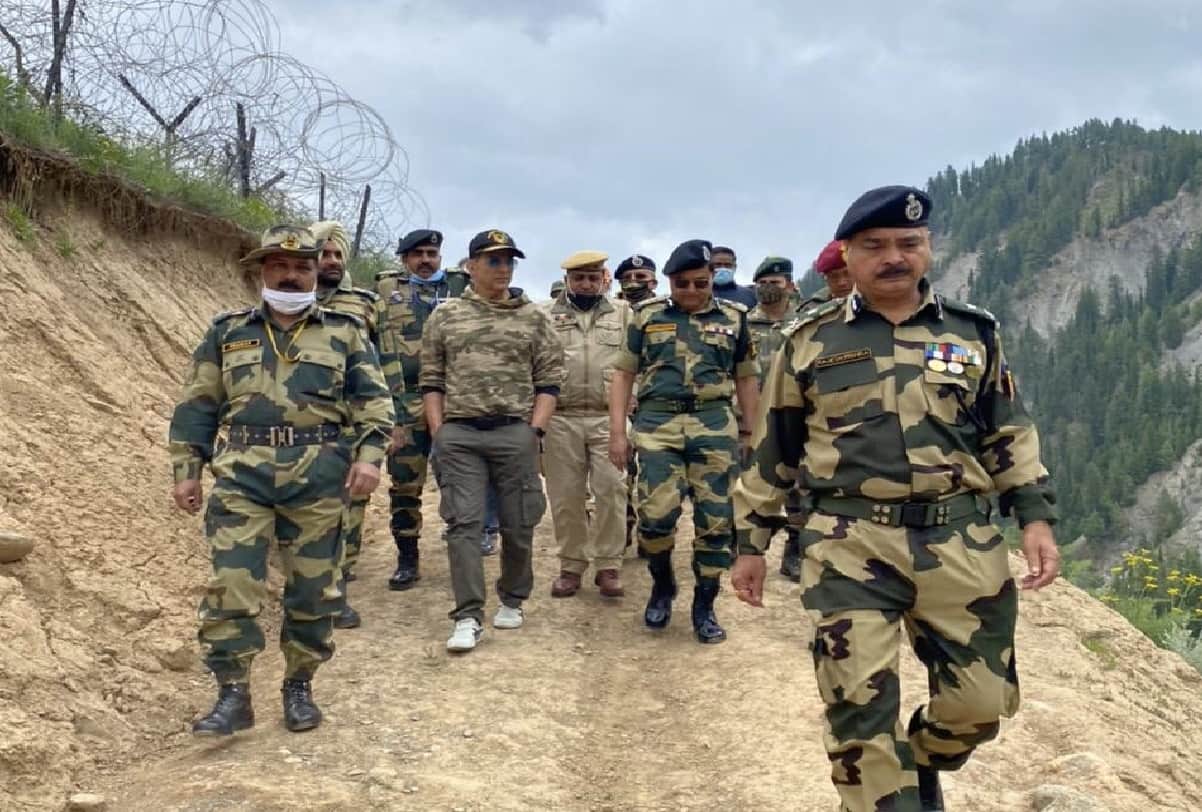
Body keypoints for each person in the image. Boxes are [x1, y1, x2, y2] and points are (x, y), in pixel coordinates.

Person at [731, 186, 1060, 812]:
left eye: (909, 244)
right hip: (849, 542)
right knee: (858, 714)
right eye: (874, 246)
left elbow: (1008, 431)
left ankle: (922, 760)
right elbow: (774, 450)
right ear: (847, 257)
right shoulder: (810, 340)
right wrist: (751, 542)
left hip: (959, 540)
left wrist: (1035, 516)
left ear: (928, 248)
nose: (894, 258)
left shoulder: (973, 333)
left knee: (981, 706)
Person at [169, 225, 393, 735]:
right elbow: (198, 404)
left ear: (317, 273)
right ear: (261, 272)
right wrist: (188, 470)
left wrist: (370, 457)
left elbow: (375, 404)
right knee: (232, 584)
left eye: (303, 268)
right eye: (279, 267)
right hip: (242, 473)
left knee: (314, 591)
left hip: (318, 473)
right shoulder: (227, 332)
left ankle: (299, 685)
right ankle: (232, 694)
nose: (291, 276)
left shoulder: (344, 331)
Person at [420, 229, 565, 653]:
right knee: (462, 523)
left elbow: (549, 380)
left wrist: (534, 431)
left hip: (513, 431)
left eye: (508, 261)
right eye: (493, 260)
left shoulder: (532, 316)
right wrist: (439, 430)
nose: (503, 268)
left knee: (519, 522)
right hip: (460, 434)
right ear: (470, 267)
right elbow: (431, 380)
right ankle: (467, 614)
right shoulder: (446, 316)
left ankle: (513, 596)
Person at [608, 239, 759, 644]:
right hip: (658, 422)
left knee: (715, 521)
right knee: (655, 516)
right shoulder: (646, 316)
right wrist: (618, 432)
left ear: (711, 280)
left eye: (700, 283)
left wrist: (751, 434)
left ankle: (704, 604)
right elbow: (623, 375)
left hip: (714, 422)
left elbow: (746, 377)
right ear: (669, 282)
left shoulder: (735, 317)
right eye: (682, 284)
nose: (691, 291)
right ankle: (662, 583)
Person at [376, 229, 470, 591]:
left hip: (456, 402)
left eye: (432, 253)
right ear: (404, 259)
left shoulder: (462, 287)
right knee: (405, 484)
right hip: (407, 402)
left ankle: (463, 553)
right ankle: (407, 557)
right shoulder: (387, 290)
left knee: (461, 481)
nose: (425, 260)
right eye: (417, 254)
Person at [541, 250, 632, 598]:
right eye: (579, 278)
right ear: (567, 280)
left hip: (608, 416)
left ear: (604, 279)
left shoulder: (624, 314)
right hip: (560, 416)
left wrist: (631, 398)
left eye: (593, 277)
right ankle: (571, 566)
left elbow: (637, 360)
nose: (586, 284)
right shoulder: (545, 315)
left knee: (612, 489)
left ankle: (609, 565)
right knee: (566, 496)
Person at [308, 220, 382, 629]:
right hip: (303, 421)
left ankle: (337, 589)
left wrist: (394, 421)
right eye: (323, 253)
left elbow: (382, 360)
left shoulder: (364, 303)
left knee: (349, 508)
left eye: (337, 254)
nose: (331, 261)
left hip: (351, 423)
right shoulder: (288, 299)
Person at [745, 255, 803, 582]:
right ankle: (746, 548)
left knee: (796, 486)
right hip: (750, 416)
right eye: (763, 283)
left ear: (790, 286)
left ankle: (794, 549)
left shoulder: (805, 323)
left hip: (792, 416)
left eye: (775, 283)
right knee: (747, 483)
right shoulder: (742, 324)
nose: (769, 289)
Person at [613, 254, 658, 555]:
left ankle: (652, 533)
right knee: (621, 474)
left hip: (655, 404)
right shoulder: (610, 314)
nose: (634, 283)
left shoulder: (666, 313)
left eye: (640, 277)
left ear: (653, 281)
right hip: (620, 403)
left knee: (655, 475)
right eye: (627, 277)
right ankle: (622, 529)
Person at [803, 238, 855, 308]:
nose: (842, 282)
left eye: (847, 274)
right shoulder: (812, 309)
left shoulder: (873, 302)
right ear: (826, 279)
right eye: (834, 277)